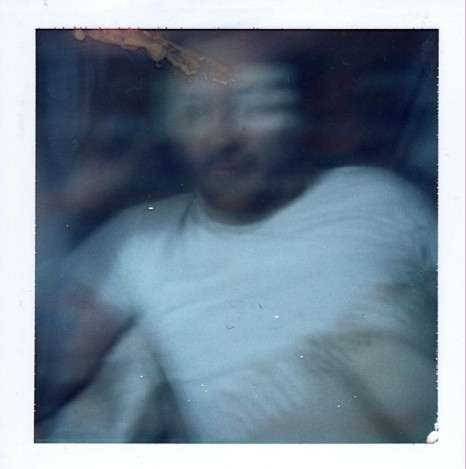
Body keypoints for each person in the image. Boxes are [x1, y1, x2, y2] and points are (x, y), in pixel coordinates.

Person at [35, 60, 437, 444]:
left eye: (254, 107)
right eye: (194, 112)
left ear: (298, 114)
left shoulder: (379, 196)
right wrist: (69, 199)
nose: (224, 138)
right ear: (169, 132)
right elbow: (41, 366)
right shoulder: (137, 239)